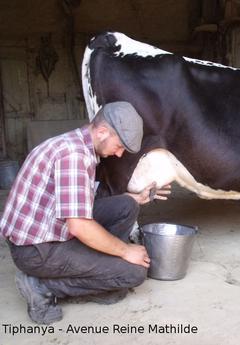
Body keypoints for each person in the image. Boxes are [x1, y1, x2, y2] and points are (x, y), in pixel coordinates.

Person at [0, 101, 171, 324]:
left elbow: (82, 203)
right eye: (119, 146)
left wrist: (137, 198)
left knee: (127, 205)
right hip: (36, 250)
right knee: (133, 274)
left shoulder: (77, 144)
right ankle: (41, 286)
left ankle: (105, 271)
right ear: (102, 132)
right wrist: (125, 251)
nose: (119, 154)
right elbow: (79, 225)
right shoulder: (74, 156)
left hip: (49, 229)